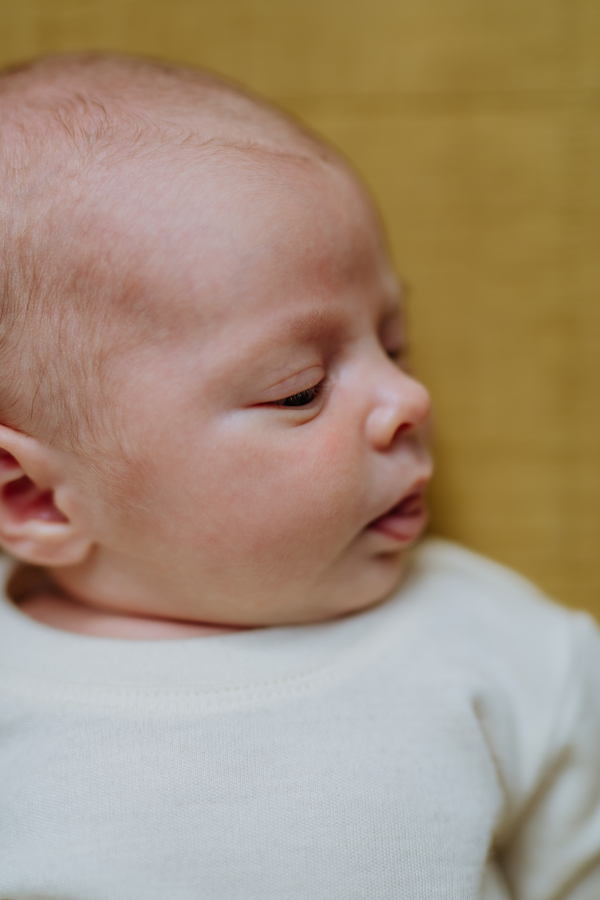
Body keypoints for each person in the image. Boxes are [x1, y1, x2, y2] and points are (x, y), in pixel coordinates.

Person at [0, 54, 598, 899]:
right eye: (301, 389)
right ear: (29, 495)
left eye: (393, 345)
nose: (408, 398)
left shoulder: (499, 647)